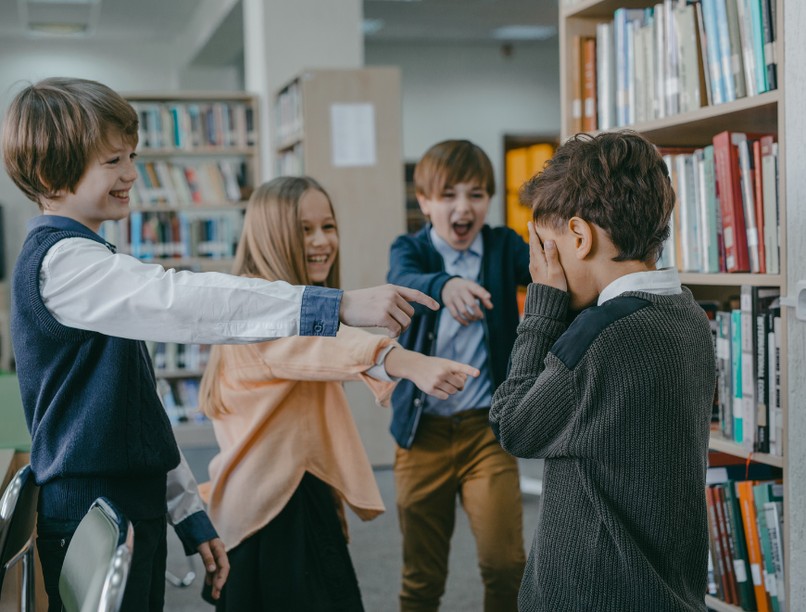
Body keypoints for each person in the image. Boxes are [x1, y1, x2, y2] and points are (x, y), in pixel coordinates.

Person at [2, 76, 438, 612]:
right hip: (96, 504)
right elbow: (182, 300)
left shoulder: (92, 261)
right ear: (52, 172)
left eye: (131, 157)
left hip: (124, 497)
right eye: (113, 161)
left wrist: (186, 509)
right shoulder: (63, 263)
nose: (132, 174)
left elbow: (137, 410)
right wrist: (336, 305)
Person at [198, 176, 479, 611]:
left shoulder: (273, 303)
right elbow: (322, 345)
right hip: (270, 515)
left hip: (287, 496)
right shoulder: (258, 314)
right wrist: (408, 362)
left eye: (328, 227)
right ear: (272, 236)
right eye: (304, 229)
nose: (322, 241)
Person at [489, 131, 716, 611]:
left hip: (592, 593)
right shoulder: (688, 315)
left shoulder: (600, 334)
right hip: (668, 589)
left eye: (546, 249)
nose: (542, 265)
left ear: (579, 235)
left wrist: (543, 304)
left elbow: (513, 425)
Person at [386, 139, 529, 611]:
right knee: (422, 578)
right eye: (448, 195)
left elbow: (551, 274)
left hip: (484, 430)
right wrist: (444, 285)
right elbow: (403, 278)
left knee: (506, 565)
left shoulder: (504, 246)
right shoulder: (411, 249)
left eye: (476, 194)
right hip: (420, 433)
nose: (463, 208)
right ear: (425, 202)